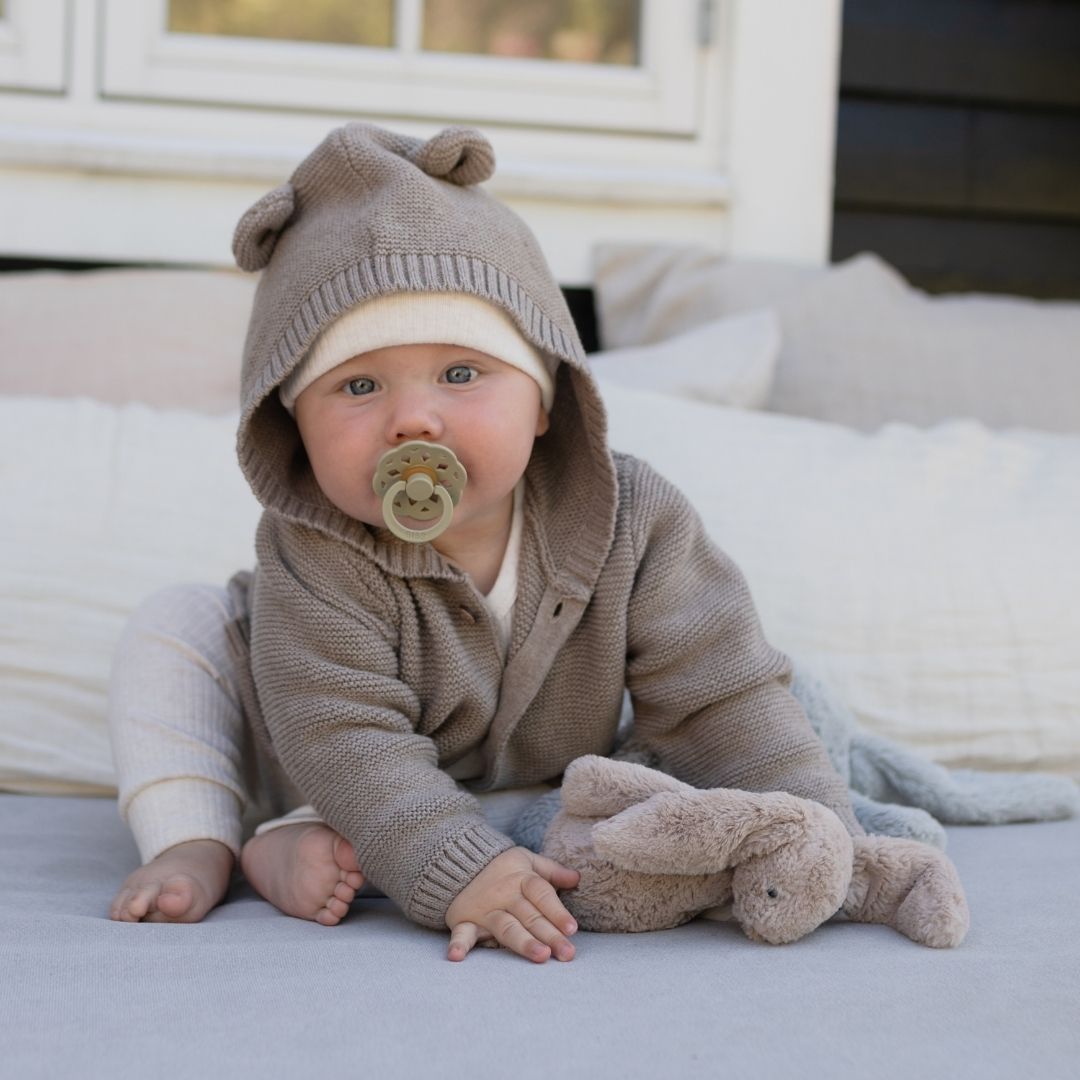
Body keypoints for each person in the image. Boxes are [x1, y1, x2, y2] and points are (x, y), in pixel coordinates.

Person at [107, 122, 861, 964]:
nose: (413, 419)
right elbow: (343, 736)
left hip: (522, 789)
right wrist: (456, 868)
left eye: (461, 374)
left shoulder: (633, 518)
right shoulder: (311, 551)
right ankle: (205, 837)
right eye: (358, 386)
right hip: (324, 763)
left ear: (544, 402)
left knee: (605, 806)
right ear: (295, 432)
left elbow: (719, 691)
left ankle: (316, 849)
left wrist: (827, 826)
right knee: (176, 625)